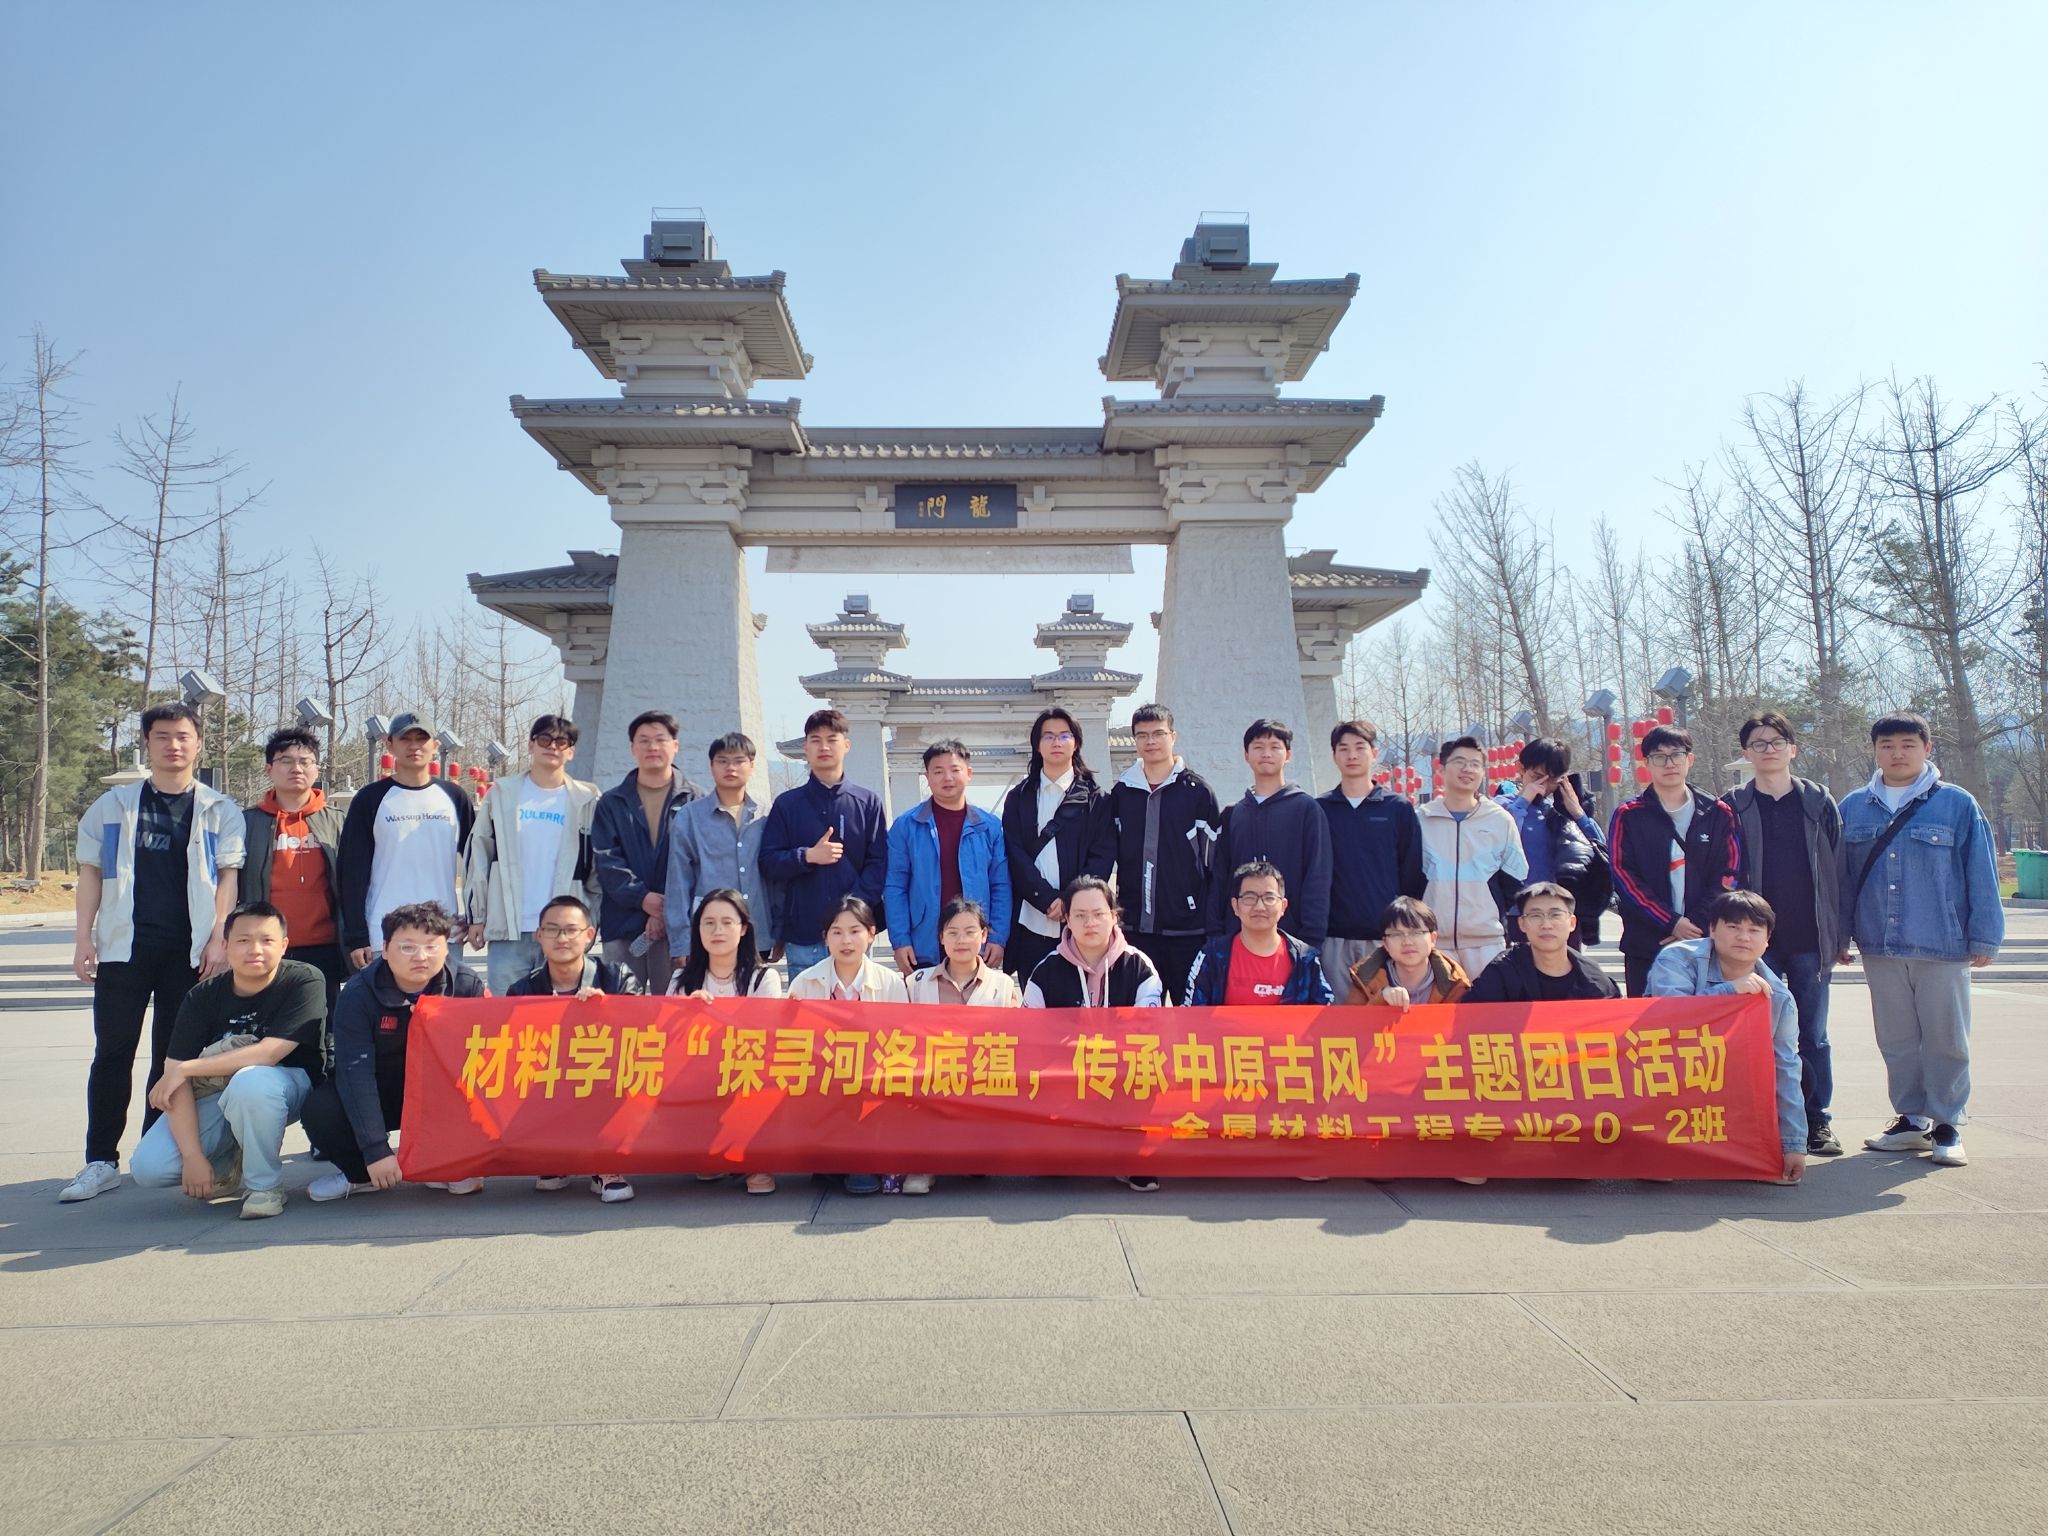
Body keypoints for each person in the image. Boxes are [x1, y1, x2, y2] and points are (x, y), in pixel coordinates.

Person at [62, 703, 246, 1204]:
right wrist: (83, 938)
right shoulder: (113, 806)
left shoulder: (219, 810)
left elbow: (227, 878)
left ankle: (154, 1148)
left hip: (190, 953)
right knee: (112, 1052)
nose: (173, 745)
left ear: (199, 743)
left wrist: (219, 938)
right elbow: (91, 874)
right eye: (162, 736)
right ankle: (100, 1160)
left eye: (183, 736)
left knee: (174, 1056)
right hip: (124, 948)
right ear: (147, 742)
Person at [1839, 712, 2003, 1168]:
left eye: (1908, 744)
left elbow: (1981, 871)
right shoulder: (1854, 807)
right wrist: (1839, 934)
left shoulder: (1956, 804)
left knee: (1947, 1038)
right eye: (1887, 745)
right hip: (1879, 942)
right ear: (1875, 750)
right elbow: (1842, 879)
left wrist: (1985, 935)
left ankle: (1946, 1123)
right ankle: (1911, 1120)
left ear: (1927, 749)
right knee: (1895, 1038)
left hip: (1941, 942)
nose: (1897, 753)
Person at [127, 902, 325, 1219]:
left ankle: (264, 1188)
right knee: (150, 1168)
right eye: (243, 940)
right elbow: (175, 1078)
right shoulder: (201, 996)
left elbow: (269, 1053)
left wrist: (189, 1068)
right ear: (225, 945)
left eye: (267, 940)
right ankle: (227, 1163)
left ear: (284, 945)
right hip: (220, 1092)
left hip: (289, 1086)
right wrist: (193, 1157)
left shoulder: (304, 980)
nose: (255, 949)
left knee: (251, 1082)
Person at [303, 901, 488, 1202]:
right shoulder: (359, 994)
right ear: (386, 949)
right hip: (383, 1089)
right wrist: (375, 1149)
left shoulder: (466, 986)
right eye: (407, 947)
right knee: (321, 1109)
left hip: (439, 1092)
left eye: (431, 946)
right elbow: (356, 1072)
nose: (421, 956)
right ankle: (361, 1175)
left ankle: (445, 1160)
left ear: (446, 948)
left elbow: (485, 1061)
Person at [1728, 712, 1844, 1157]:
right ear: (1747, 753)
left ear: (1792, 749)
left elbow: (1840, 870)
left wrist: (1840, 935)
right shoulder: (1734, 805)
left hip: (1811, 938)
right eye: (1758, 743)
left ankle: (1817, 1120)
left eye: (1777, 741)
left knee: (1812, 1034)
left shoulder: (1818, 802)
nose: (1769, 749)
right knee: (1754, 1032)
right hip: (1755, 942)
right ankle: (1760, 1121)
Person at [1648, 890, 1808, 1185]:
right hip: (1672, 1067)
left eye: (1754, 930)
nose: (1743, 937)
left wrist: (1793, 1145)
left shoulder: (1779, 997)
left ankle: (1748, 1148)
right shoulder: (1678, 958)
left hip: (1727, 1077)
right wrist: (1730, 990)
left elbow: (1785, 1067)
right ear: (1712, 929)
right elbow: (1671, 1019)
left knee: (1800, 1072)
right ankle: (1658, 1145)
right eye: (1733, 927)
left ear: (1767, 939)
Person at [1021, 876, 1166, 1193]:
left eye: (1099, 914)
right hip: (1066, 1074)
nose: (1090, 923)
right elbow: (1028, 1036)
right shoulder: (1045, 971)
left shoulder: (1139, 967)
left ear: (1114, 916)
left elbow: (1148, 1029)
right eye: (1080, 915)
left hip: (1122, 1073)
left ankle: (1132, 1155)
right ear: (1067, 919)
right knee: (1053, 1166)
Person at [505, 894, 642, 1204]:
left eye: (570, 930)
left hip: (603, 1077)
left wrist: (608, 1011)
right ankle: (556, 1155)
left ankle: (607, 1165)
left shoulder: (617, 978)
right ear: (539, 936)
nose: (562, 938)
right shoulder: (522, 990)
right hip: (551, 1080)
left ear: (589, 935)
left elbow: (641, 1035)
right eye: (552, 930)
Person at [462, 714, 602, 995]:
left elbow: (597, 868)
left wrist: (592, 919)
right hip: (510, 928)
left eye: (561, 742)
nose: (552, 746)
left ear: (571, 751)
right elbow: (479, 854)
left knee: (561, 1012)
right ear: (530, 745)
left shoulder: (587, 799)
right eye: (544, 739)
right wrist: (477, 916)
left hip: (564, 931)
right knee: (507, 1011)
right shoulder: (502, 794)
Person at [898, 897, 1022, 1195]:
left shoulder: (1003, 985)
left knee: (978, 1164)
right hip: (931, 1082)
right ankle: (922, 1164)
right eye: (952, 933)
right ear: (941, 938)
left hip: (983, 1083)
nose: (961, 940)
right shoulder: (917, 982)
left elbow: (1017, 1042)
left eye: (969, 932)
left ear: (984, 935)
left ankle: (973, 1149)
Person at [1607, 724, 1741, 998]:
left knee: (1704, 1018)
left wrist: (1694, 924)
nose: (1669, 764)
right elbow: (1623, 875)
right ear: (1647, 764)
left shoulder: (1717, 812)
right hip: (1647, 941)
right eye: (1659, 757)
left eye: (1676, 755)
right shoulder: (1629, 815)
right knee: (1646, 1020)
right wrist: (1670, 922)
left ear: (1689, 759)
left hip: (1704, 941)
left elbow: (1729, 874)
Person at [786, 896, 907, 1196]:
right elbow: (790, 1045)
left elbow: (901, 1043)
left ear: (872, 933)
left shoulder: (891, 983)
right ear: (825, 938)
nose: (846, 941)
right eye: (837, 932)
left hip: (872, 1083)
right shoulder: (805, 982)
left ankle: (860, 1160)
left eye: (855, 931)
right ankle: (829, 1155)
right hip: (823, 1083)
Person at [336, 711, 475, 974]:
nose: (414, 746)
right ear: (389, 745)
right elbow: (351, 872)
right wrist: (357, 936)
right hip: (384, 936)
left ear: (435, 745)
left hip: (443, 934)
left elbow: (477, 862)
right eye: (405, 739)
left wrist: (475, 916)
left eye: (421, 739)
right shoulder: (370, 799)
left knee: (442, 1002)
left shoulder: (454, 797)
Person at [670, 887, 785, 1194]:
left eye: (726, 922)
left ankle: (757, 1160)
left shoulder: (764, 978)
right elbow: (667, 1040)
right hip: (698, 1074)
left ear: (743, 928)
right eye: (708, 923)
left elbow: (764, 1037)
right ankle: (710, 1151)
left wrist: (712, 1019)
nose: (717, 931)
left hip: (747, 1072)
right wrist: (686, 1016)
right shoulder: (681, 980)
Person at [1107, 703, 1221, 1004]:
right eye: (1142, 735)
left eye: (1158, 733)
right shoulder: (1122, 793)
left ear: (1173, 736)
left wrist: (1214, 924)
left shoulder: (1197, 792)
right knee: (1137, 1015)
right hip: (1135, 929)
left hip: (1188, 931)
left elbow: (1215, 864)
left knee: (1191, 1016)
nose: (1151, 741)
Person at [760, 709, 888, 976]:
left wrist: (851, 911)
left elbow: (878, 865)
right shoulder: (787, 804)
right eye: (815, 740)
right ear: (805, 747)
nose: (824, 747)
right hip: (804, 932)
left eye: (832, 739)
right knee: (805, 1003)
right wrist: (807, 856)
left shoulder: (867, 803)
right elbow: (768, 862)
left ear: (846, 745)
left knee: (858, 1001)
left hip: (854, 933)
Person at [999, 708, 1115, 986]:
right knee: (1035, 1000)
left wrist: (1070, 900)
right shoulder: (1019, 797)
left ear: (1076, 742)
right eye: (1048, 736)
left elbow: (1101, 856)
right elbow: (1014, 853)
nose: (1056, 742)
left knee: (1082, 1001)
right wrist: (1046, 899)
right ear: (1037, 744)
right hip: (1030, 921)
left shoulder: (1096, 799)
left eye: (1064, 735)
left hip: (1080, 924)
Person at [590, 710, 702, 992]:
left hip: (680, 928)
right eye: (644, 740)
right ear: (632, 748)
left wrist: (665, 909)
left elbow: (698, 862)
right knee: (621, 1007)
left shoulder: (696, 801)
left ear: (675, 745)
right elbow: (607, 861)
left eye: (660, 739)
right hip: (623, 922)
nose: (652, 747)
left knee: (676, 1008)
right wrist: (643, 898)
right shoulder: (611, 802)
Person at [239, 727, 349, 1011]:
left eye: (305, 761)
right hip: (264, 946)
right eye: (286, 761)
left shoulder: (337, 822)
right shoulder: (248, 822)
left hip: (324, 946)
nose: (296, 768)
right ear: (269, 769)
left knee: (321, 1027)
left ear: (316, 769)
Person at [1318, 719, 1426, 1003]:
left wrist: (1401, 929)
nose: (1352, 755)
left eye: (1360, 747)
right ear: (1334, 756)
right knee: (1339, 1016)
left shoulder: (1397, 809)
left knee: (1386, 1012)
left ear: (1374, 753)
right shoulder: (1320, 809)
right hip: (1334, 937)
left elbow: (1412, 872)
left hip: (1385, 937)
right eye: (1344, 749)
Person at [885, 739, 1012, 974]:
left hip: (975, 941)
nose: (947, 778)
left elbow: (1001, 886)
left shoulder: (990, 827)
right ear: (927, 776)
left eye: (955, 770)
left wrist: (998, 936)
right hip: (924, 941)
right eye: (938, 771)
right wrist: (900, 940)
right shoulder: (906, 826)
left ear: (969, 773)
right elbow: (895, 887)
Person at [1208, 719, 1333, 951]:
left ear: (1288, 755)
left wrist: (1310, 940)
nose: (1266, 753)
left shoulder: (1307, 809)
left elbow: (1318, 876)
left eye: (1275, 747)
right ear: (1246, 755)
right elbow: (1220, 878)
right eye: (1258, 747)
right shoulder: (1233, 814)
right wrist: (1216, 932)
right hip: (1238, 938)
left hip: (1293, 939)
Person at [666, 732, 781, 977]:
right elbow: (678, 881)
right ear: (711, 766)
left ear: (752, 765)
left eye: (739, 760)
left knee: (754, 998)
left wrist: (779, 931)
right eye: (722, 761)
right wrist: (681, 941)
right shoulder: (690, 817)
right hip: (708, 935)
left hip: (757, 932)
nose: (731, 768)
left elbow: (776, 880)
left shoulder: (767, 815)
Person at [1416, 737, 1528, 979]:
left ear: (1483, 772)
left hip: (1487, 942)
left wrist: (1489, 910)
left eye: (1475, 764)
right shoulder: (1421, 820)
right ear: (1441, 769)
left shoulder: (1499, 820)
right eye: (1459, 762)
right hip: (1431, 942)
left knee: (1488, 1003)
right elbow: (1408, 877)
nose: (1467, 769)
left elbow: (1515, 877)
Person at [1496, 738, 1609, 947]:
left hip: (1559, 911)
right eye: (1536, 777)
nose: (1543, 786)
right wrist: (1524, 801)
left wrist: (1578, 813)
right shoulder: (1502, 806)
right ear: (1521, 769)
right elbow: (1501, 839)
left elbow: (1600, 849)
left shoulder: (1559, 811)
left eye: (1552, 781)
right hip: (1515, 911)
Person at [1184, 862, 1335, 1007]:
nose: (1259, 907)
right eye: (1249, 898)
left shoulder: (1305, 960)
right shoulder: (1212, 956)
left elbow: (1323, 1015)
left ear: (1283, 906)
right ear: (1235, 906)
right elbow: (1192, 1014)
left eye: (1269, 898)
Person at [1465, 883, 1621, 1002]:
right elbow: (1472, 1020)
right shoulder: (1501, 973)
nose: (1546, 925)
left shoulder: (1595, 980)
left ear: (1572, 923)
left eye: (1556, 915)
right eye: (1536, 916)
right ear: (1522, 924)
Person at [1341, 896, 1471, 1007]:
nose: (1407, 942)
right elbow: (1352, 1024)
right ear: (1385, 943)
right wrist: (1381, 999)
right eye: (1397, 935)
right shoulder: (1365, 977)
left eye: (1416, 933)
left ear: (1433, 939)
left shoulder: (1454, 981)